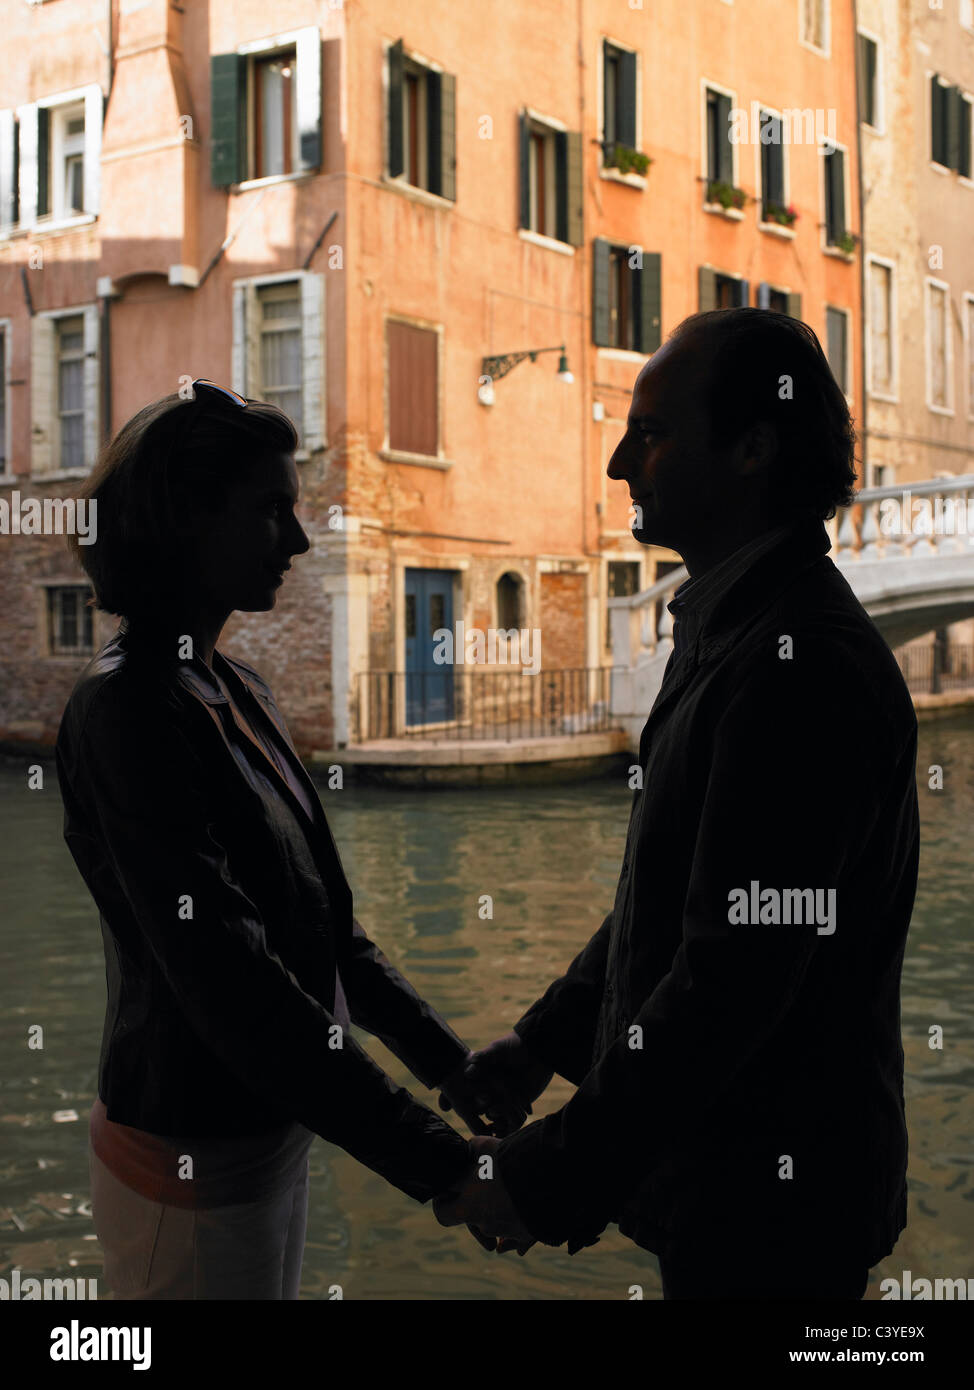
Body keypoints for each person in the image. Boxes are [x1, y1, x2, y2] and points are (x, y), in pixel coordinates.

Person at [434, 309, 921, 1299]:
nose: (618, 462)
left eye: (649, 433)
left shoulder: (795, 666)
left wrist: (547, 1174)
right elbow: (671, 896)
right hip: (735, 1193)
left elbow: (729, 978)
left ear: (749, 448)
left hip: (770, 1211)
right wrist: (541, 1043)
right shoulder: (736, 630)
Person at [56, 379, 528, 1300]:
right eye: (272, 511)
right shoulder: (127, 710)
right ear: (187, 518)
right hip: (184, 1157)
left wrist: (448, 1065)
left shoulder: (237, 688)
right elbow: (230, 982)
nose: (301, 541)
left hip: (269, 1137)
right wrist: (446, 1168)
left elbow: (330, 930)